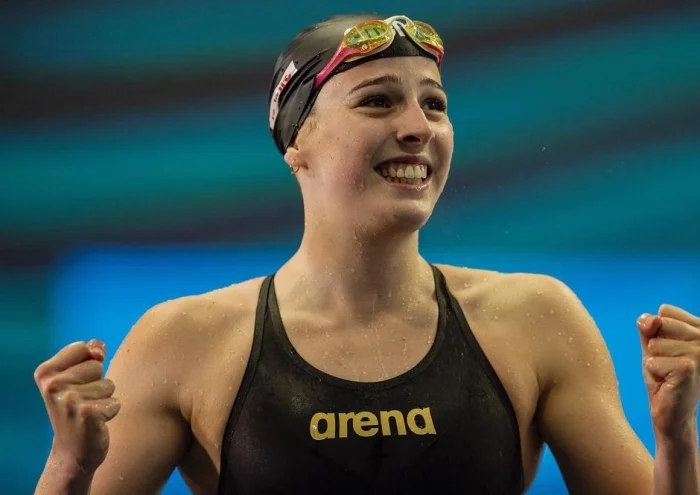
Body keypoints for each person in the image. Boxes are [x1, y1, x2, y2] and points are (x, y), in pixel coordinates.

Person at [33, 13, 700, 495]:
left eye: (434, 104)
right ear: (297, 142)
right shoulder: (185, 341)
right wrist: (70, 466)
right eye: (378, 101)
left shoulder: (534, 319)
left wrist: (676, 439)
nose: (417, 128)